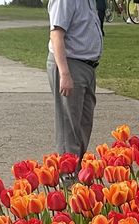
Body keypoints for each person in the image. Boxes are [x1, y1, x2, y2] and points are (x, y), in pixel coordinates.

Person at [48, 0, 103, 176]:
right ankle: (68, 178)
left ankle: (77, 173)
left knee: (83, 125)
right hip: (70, 64)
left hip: (87, 66)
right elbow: (56, 34)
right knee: (69, 127)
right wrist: (64, 74)